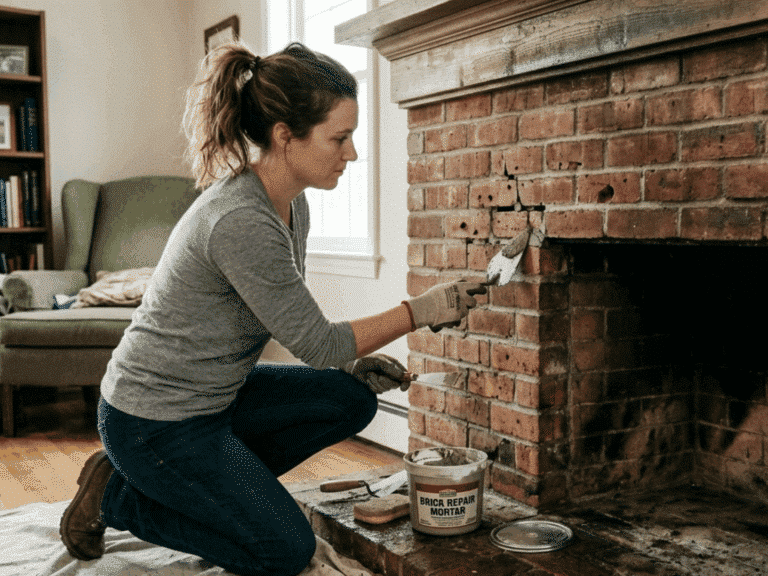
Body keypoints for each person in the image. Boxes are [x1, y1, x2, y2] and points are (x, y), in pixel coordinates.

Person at [58, 42, 486, 576]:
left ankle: (217, 494)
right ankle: (119, 500)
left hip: (215, 399)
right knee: (285, 551)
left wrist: (352, 364)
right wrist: (422, 309)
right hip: (153, 422)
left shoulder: (290, 204)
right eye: (340, 137)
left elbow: (296, 326)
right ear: (286, 136)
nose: (351, 153)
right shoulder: (240, 219)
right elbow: (318, 344)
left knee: (350, 399)